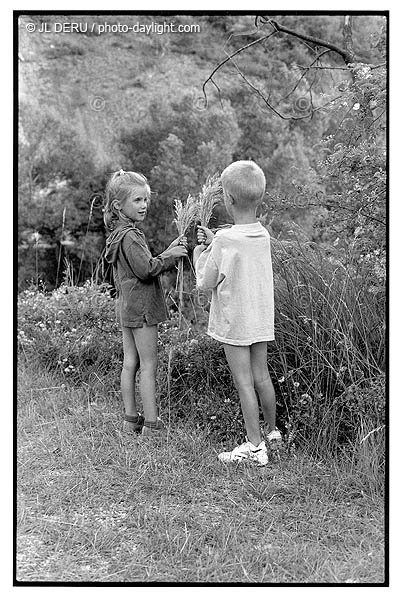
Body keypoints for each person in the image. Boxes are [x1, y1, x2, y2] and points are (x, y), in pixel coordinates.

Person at [193, 160, 281, 466]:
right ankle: (272, 434)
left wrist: (199, 252)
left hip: (234, 322)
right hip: (260, 318)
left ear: (228, 200)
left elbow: (205, 282)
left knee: (243, 382)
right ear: (259, 199)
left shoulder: (224, 240)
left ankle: (254, 447)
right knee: (261, 376)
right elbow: (237, 240)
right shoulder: (262, 234)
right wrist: (217, 237)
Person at [104, 169, 187, 436]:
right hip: (142, 310)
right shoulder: (131, 235)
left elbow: (139, 266)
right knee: (148, 365)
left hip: (127, 307)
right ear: (119, 205)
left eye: (146, 200)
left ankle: (130, 420)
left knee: (131, 362)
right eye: (138, 200)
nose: (144, 205)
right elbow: (146, 269)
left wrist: (169, 248)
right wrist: (171, 256)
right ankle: (152, 424)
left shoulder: (118, 234)